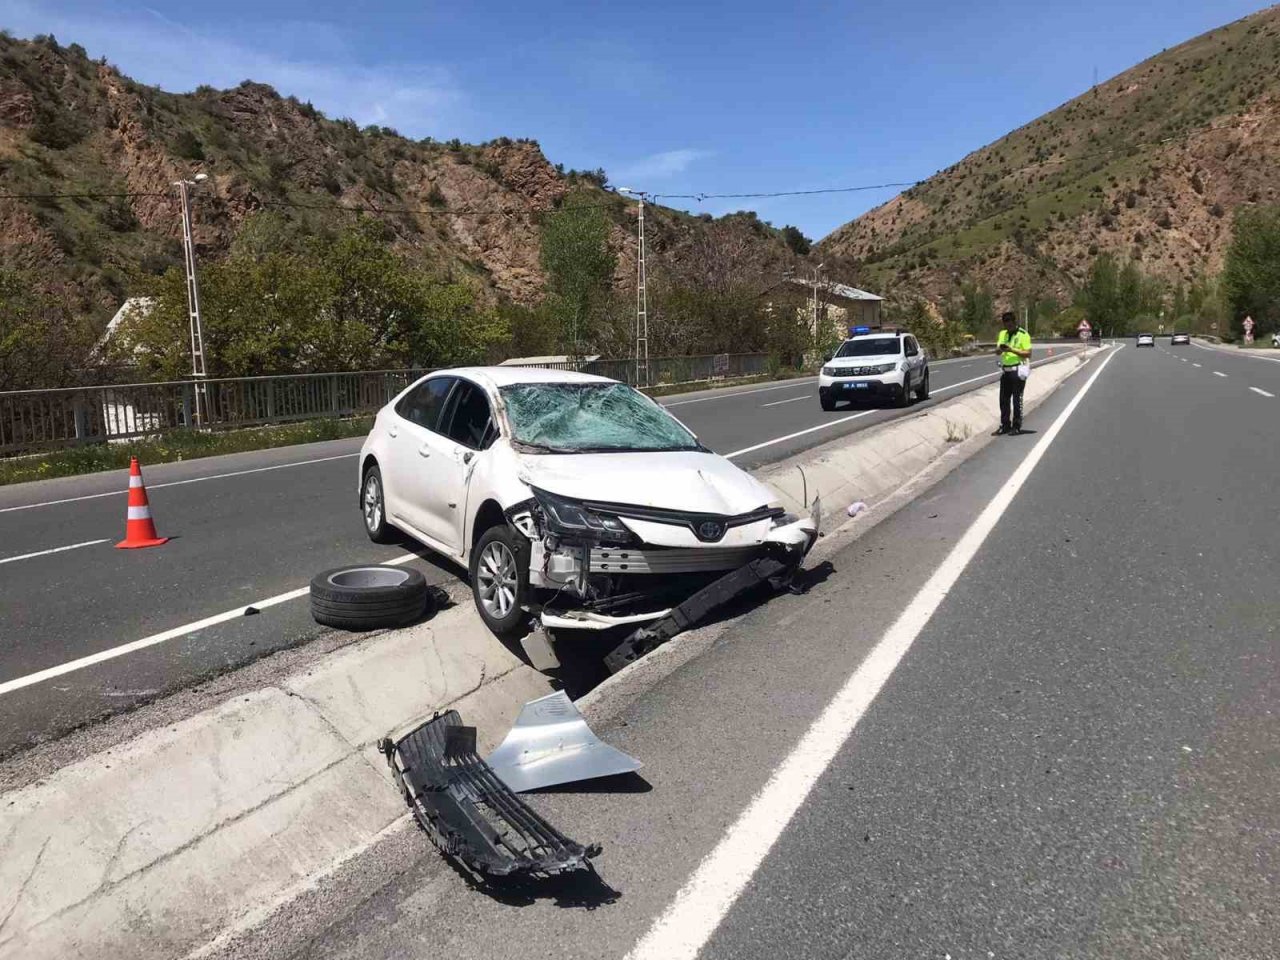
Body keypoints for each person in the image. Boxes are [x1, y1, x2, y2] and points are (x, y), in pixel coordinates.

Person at [993, 311, 1031, 435]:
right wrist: (999, 349)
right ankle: (1005, 425)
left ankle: (1016, 425)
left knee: (1016, 400)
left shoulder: (1023, 334)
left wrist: (1012, 350)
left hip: (1017, 370)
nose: (1008, 326)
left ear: (1014, 322)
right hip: (1006, 371)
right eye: (1005, 323)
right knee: (1003, 400)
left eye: (1010, 323)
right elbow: (998, 351)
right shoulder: (1002, 334)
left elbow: (1028, 353)